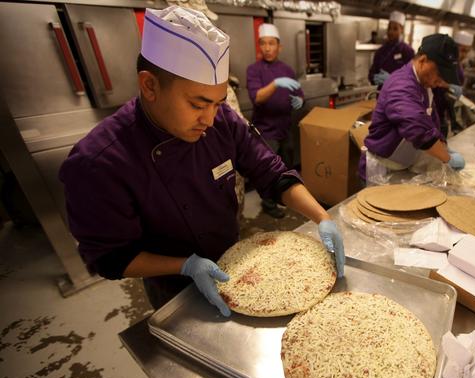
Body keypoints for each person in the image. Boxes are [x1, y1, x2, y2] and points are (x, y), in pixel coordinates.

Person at [59, 6, 344, 314]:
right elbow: (111, 258)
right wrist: (186, 266)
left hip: (235, 263)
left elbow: (271, 172)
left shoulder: (222, 121)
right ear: (150, 86)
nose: (209, 119)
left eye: (217, 103)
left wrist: (322, 217)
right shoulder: (98, 163)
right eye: (198, 104)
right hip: (172, 285)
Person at [359, 34, 466, 183]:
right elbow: (418, 130)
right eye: (440, 75)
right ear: (423, 61)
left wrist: (443, 145)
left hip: (401, 166)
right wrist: (447, 159)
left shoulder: (424, 85)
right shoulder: (401, 86)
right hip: (381, 170)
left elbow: (431, 123)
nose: (441, 83)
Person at [246, 23, 304, 218]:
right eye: (263, 43)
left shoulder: (287, 69)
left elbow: (299, 92)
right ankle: (269, 204)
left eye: (271, 43)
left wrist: (299, 100)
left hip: (285, 127)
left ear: (280, 47)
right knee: (268, 170)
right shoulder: (254, 70)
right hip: (266, 131)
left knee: (287, 167)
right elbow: (257, 97)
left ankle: (286, 198)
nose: (267, 48)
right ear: (259, 46)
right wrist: (275, 83)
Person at [434, 30, 474, 136]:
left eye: (466, 51)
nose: (463, 55)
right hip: (426, 112)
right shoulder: (438, 62)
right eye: (461, 50)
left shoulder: (459, 69)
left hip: (441, 116)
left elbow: (453, 99)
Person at [368, 11, 415, 88]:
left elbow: (412, 78)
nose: (391, 32)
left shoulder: (408, 51)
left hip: (400, 96)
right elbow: (371, 74)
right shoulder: (380, 51)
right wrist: (373, 78)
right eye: (389, 28)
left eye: (395, 28)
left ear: (402, 30)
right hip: (381, 95)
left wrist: (392, 79)